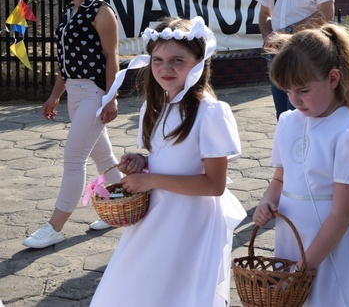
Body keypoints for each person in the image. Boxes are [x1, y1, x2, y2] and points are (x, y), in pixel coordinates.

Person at [90, 17, 245, 307]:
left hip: (190, 220)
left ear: (200, 61)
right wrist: (143, 161)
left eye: (177, 60)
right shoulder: (158, 105)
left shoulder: (210, 112)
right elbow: (173, 157)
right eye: (158, 60)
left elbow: (214, 184)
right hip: (159, 211)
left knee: (175, 290)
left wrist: (149, 180)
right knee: (137, 283)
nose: (165, 68)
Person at [253, 24, 349, 306]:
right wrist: (267, 200)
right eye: (287, 91)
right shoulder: (289, 122)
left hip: (333, 242)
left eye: (303, 89)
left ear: (333, 78)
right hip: (292, 237)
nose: (294, 99)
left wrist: (305, 266)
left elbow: (343, 213)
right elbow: (281, 178)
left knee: (329, 297)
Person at [22, 0, 122, 249]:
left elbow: (111, 56)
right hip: (75, 96)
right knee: (103, 158)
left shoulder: (102, 11)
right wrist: (55, 96)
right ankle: (120, 209)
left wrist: (111, 98)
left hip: (94, 93)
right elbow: (66, 60)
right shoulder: (69, 12)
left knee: (73, 159)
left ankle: (55, 226)